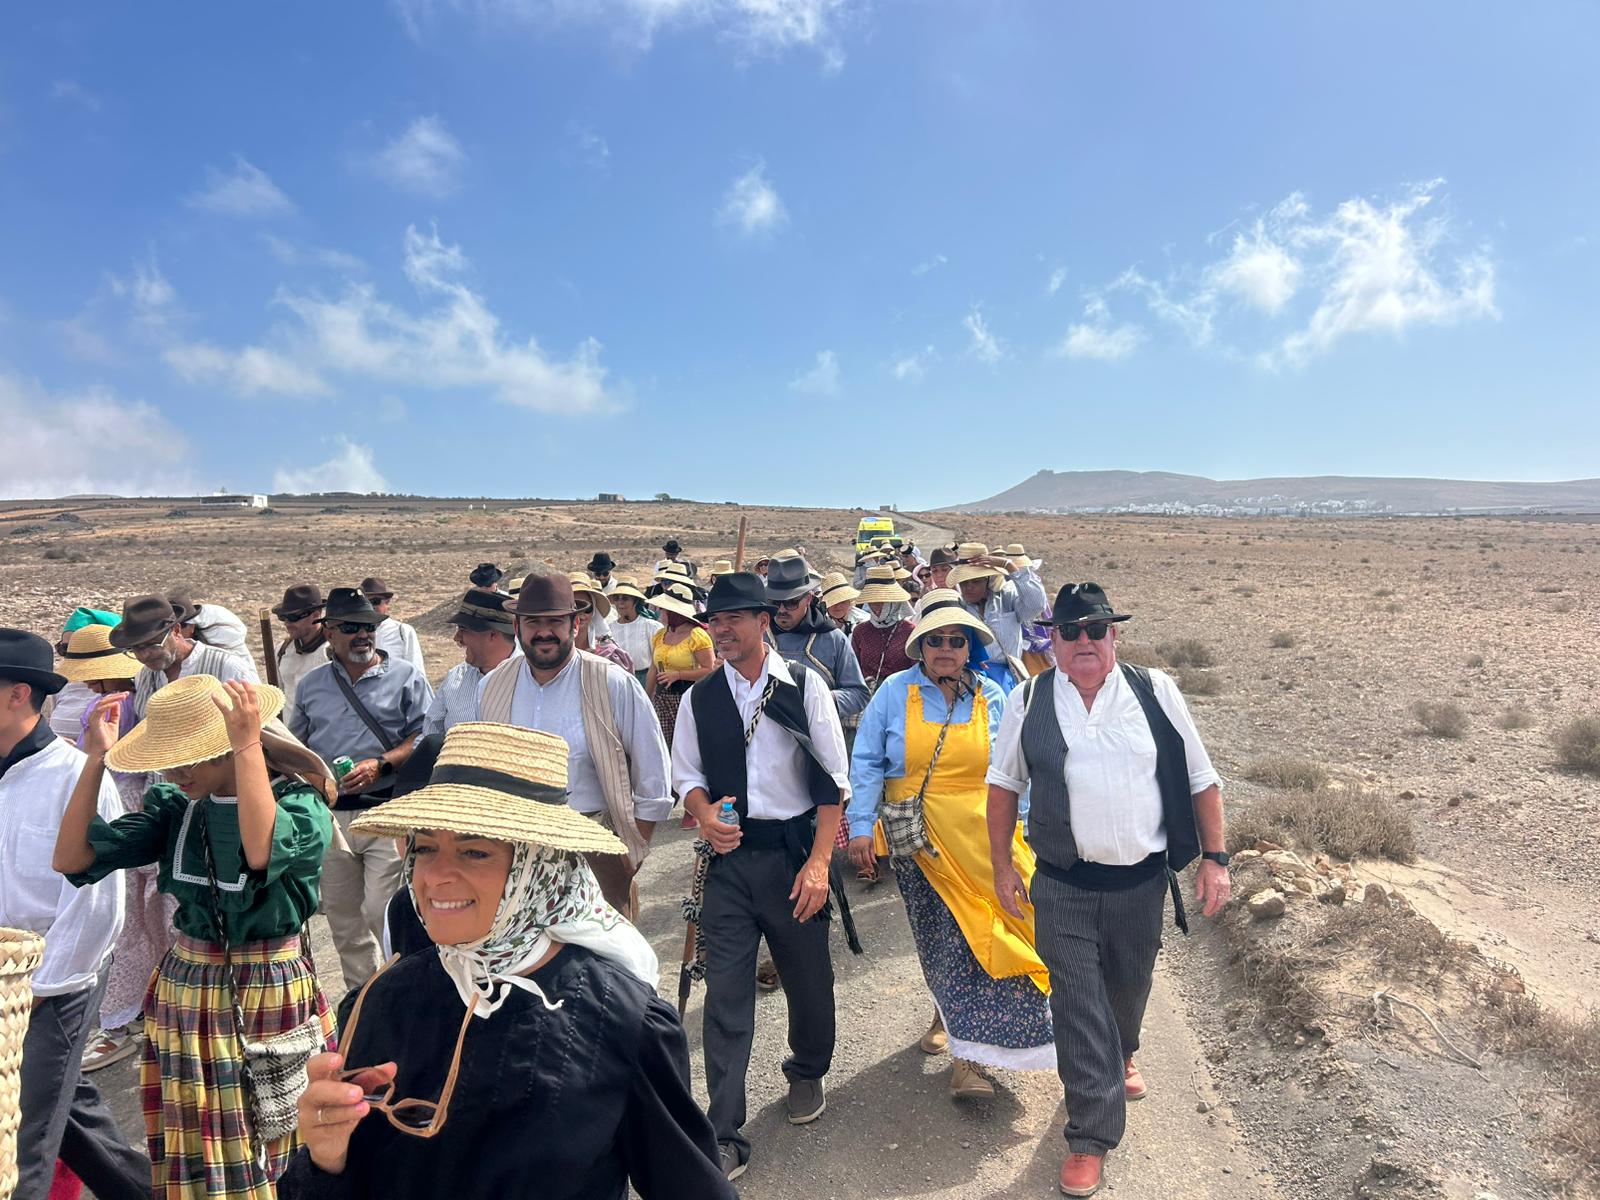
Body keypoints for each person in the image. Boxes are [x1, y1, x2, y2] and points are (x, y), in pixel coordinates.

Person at [276, 723, 736, 1200]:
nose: (435, 875)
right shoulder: (378, 1004)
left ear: (537, 868)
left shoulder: (619, 1021)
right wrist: (326, 1158)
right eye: (426, 847)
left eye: (475, 851)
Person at [985, 583, 1231, 1198]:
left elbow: (1202, 779)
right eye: (1070, 631)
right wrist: (1001, 867)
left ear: (1114, 636)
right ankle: (1089, 1137)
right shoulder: (1029, 698)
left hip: (1141, 883)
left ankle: (1122, 1051)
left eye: (1097, 628)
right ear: (1054, 642)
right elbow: (1002, 788)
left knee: (1129, 986)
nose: (1085, 640)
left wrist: (1215, 859)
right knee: (1076, 1002)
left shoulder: (1155, 692)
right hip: (1063, 883)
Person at [55, 672, 337, 1200]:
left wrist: (247, 743)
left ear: (232, 747)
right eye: (171, 756)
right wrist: (96, 759)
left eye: (192, 756)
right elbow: (72, 859)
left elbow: (259, 850)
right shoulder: (178, 809)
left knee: (269, 1128)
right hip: (185, 989)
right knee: (196, 1136)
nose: (177, 770)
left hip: (266, 989)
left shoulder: (301, 807)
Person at [671, 573, 852, 1181]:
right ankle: (723, 1129)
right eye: (712, 622)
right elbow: (687, 776)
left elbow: (832, 783)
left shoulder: (805, 687)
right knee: (726, 998)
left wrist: (821, 862)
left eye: (732, 619)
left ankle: (806, 1070)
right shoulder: (700, 699)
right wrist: (703, 817)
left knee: (808, 981)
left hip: (793, 855)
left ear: (762, 620)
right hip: (728, 864)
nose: (720, 630)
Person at [846, 603, 1054, 1101]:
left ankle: (984, 1033)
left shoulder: (992, 693)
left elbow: (1012, 767)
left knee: (1017, 929)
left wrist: (1022, 828)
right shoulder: (895, 693)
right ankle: (968, 1058)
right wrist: (858, 827)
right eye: (936, 641)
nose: (946, 650)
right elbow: (868, 761)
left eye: (957, 641)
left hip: (988, 838)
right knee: (953, 943)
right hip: (925, 845)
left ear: (969, 648)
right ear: (920, 647)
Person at [0, 630, 152, 1200]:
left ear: (18, 694)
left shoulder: (76, 778)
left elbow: (96, 904)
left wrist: (38, 989)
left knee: (20, 1129)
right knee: (65, 1105)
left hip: (52, 976)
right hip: (3, 973)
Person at [475, 575, 672, 918]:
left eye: (555, 621)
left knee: (599, 967)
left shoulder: (611, 683)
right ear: (517, 625)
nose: (544, 631)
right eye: (534, 622)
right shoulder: (492, 686)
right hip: (513, 851)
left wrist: (629, 855)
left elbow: (653, 776)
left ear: (576, 622)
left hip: (595, 847)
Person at [289, 587, 432, 990]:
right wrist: (315, 778)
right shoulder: (311, 685)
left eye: (369, 626)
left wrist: (382, 763)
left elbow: (427, 736)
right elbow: (297, 747)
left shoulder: (407, 676)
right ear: (330, 632)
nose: (362, 635)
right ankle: (364, 1001)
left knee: (381, 912)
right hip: (331, 818)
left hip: (385, 812)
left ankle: (404, 988)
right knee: (344, 920)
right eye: (351, 627)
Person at [55, 625, 173, 1073]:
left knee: (153, 918)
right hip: (126, 808)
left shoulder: (131, 704)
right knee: (139, 921)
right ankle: (137, 1017)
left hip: (137, 811)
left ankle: (142, 1018)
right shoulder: (120, 703)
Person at [114, 594, 258, 720]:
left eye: (153, 645)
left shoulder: (228, 667)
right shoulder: (144, 676)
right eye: (135, 649)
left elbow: (260, 722)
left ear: (176, 631)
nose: (144, 656)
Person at [764, 555, 869, 724]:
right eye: (775, 602)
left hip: (819, 736)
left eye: (791, 602)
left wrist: (818, 699)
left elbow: (859, 695)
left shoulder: (833, 639)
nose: (782, 609)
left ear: (808, 598)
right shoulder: (757, 636)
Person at [421, 588, 518, 737]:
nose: (457, 638)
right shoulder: (455, 678)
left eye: (464, 629)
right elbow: (429, 735)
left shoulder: (529, 678)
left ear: (492, 634)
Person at [947, 542, 1049, 663]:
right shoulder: (957, 608)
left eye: (976, 581)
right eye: (964, 582)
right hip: (972, 677)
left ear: (987, 580)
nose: (969, 587)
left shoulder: (1006, 599)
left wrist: (1008, 565)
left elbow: (1036, 604)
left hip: (1010, 676)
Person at [643, 582, 716, 747]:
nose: (660, 612)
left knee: (686, 746)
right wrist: (647, 699)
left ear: (674, 613)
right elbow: (653, 670)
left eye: (664, 609)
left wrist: (678, 675)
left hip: (688, 697)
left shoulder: (697, 636)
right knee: (663, 746)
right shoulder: (661, 635)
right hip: (663, 699)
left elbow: (709, 669)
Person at [48, 607, 122, 742]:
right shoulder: (62, 686)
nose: (72, 657)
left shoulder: (129, 691)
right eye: (65, 649)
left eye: (80, 649)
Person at [271, 584, 328, 708]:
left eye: (293, 617)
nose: (287, 623)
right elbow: (277, 695)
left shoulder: (332, 652)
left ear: (316, 615)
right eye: (284, 617)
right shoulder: (282, 650)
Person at [359, 577, 425, 675]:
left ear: (387, 602)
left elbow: (417, 672)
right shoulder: (351, 632)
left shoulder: (403, 631)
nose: (370, 606)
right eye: (365, 602)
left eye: (375, 601)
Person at [166, 593, 254, 665]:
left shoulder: (220, 643)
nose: (175, 633)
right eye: (168, 630)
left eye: (181, 627)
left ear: (192, 626)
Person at [571, 574, 634, 672]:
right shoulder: (551, 649)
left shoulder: (609, 653)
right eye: (575, 606)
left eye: (587, 607)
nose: (581, 613)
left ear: (594, 611)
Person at [607, 577, 662, 687]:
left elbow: (658, 660)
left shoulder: (651, 626)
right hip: (618, 681)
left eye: (625, 599)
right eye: (617, 599)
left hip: (646, 680)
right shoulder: (610, 629)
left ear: (635, 602)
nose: (620, 603)